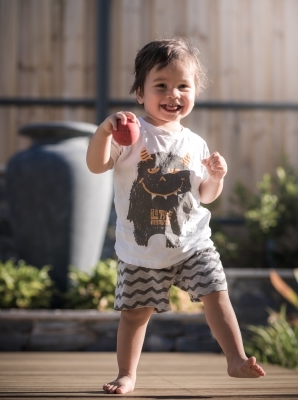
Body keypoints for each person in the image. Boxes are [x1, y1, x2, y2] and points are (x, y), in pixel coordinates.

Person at [86, 38, 266, 394]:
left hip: (192, 243)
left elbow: (205, 197)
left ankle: (234, 358)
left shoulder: (195, 143)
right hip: (143, 247)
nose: (174, 94)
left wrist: (216, 177)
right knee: (136, 314)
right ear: (140, 93)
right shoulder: (131, 133)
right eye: (162, 86)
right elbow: (96, 165)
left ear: (195, 91)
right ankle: (127, 374)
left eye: (183, 85)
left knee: (216, 292)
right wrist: (105, 130)